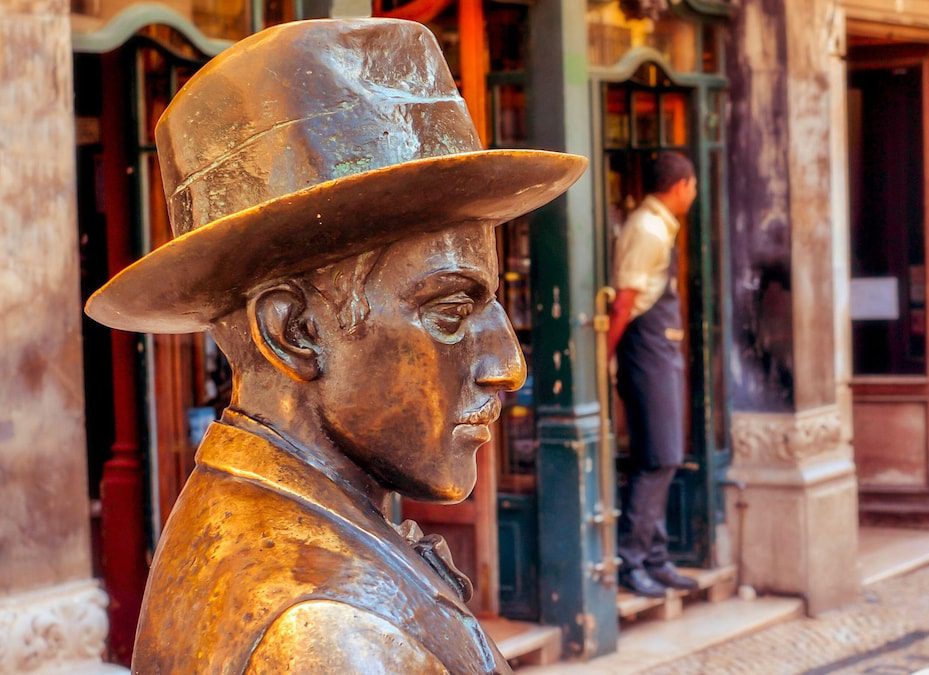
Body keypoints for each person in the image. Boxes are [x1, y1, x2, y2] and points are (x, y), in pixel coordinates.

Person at [84, 19, 586, 673]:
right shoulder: (327, 640)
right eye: (450, 311)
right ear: (294, 331)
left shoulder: (285, 522)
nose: (509, 366)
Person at [607, 151, 699, 598]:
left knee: (664, 455)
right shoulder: (646, 228)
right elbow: (625, 300)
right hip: (646, 348)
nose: (694, 194)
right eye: (693, 186)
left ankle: (656, 555)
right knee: (659, 456)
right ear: (681, 186)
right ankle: (633, 559)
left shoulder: (658, 225)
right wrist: (605, 352)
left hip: (660, 349)